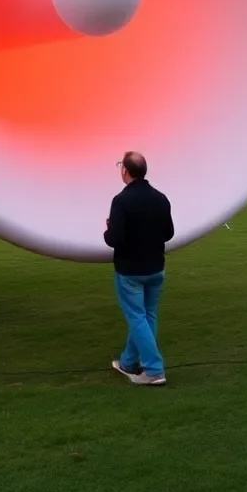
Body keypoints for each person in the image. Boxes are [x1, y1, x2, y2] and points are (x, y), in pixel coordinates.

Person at [103, 151, 174, 387]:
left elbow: (114, 239)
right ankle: (128, 362)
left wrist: (108, 229)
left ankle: (154, 370)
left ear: (125, 171)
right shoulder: (161, 198)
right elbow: (168, 233)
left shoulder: (121, 201)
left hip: (131, 271)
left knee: (137, 317)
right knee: (146, 316)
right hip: (156, 268)